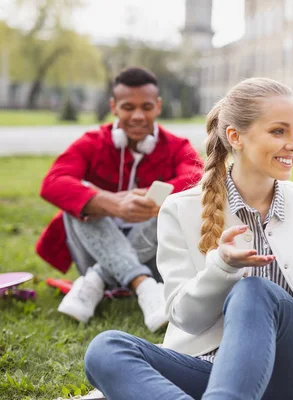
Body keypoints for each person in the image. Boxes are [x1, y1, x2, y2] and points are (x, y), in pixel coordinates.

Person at [83, 77, 293, 400]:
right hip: (211, 369)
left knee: (254, 290)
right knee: (106, 349)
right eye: (278, 131)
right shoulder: (180, 209)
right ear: (235, 137)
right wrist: (221, 267)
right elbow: (183, 317)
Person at [36, 67, 203, 332]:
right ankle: (144, 286)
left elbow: (199, 178)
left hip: (154, 255)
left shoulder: (176, 146)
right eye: (128, 107)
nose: (137, 116)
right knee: (80, 202)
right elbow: (53, 182)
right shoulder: (93, 141)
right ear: (114, 107)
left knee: (172, 209)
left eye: (146, 107)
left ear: (158, 106)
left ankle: (97, 280)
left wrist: (151, 198)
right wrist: (110, 203)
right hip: (92, 249)